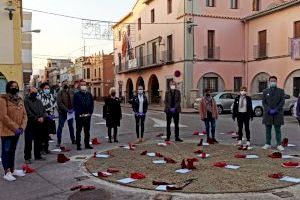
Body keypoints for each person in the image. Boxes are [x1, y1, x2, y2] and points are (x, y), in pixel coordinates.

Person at [0, 81, 28, 181]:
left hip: (17, 131)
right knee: (6, 151)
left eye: (16, 86)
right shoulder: (3, 99)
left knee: (12, 151)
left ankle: (12, 170)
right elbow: (3, 116)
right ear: (8, 87)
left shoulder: (20, 99)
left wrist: (22, 127)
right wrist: (15, 128)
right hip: (7, 131)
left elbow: (25, 115)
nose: (14, 88)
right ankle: (7, 172)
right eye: (12, 86)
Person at [24, 87, 48, 163]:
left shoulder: (39, 101)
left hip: (39, 123)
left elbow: (44, 111)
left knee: (38, 140)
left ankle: (37, 155)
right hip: (30, 123)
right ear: (29, 92)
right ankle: (27, 157)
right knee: (28, 141)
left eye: (35, 92)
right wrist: (37, 118)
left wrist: (43, 117)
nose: (34, 94)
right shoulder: (26, 101)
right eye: (33, 92)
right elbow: (28, 112)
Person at [262, 76, 285, 151]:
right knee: (268, 129)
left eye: (274, 81)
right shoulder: (265, 91)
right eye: (271, 81)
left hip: (277, 113)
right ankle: (267, 143)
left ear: (276, 81)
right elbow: (263, 102)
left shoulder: (281, 91)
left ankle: (279, 144)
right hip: (268, 113)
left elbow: (282, 102)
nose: (273, 82)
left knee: (277, 130)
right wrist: (268, 109)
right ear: (269, 82)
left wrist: (276, 109)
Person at [73, 80, 94, 150]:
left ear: (86, 86)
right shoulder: (76, 95)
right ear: (79, 86)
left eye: (84, 85)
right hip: (79, 116)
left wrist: (90, 113)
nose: (83, 86)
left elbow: (92, 104)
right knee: (78, 131)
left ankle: (87, 144)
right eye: (82, 85)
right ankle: (78, 145)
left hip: (87, 116)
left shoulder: (89, 94)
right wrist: (79, 113)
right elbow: (75, 105)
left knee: (87, 131)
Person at [37, 82, 57, 154]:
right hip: (42, 117)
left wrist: (52, 114)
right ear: (42, 89)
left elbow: (54, 105)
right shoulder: (39, 96)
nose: (47, 89)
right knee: (42, 134)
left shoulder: (51, 96)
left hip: (50, 117)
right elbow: (39, 107)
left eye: (48, 88)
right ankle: (41, 149)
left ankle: (46, 148)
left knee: (48, 133)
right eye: (45, 88)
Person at [56, 80, 75, 146]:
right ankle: (59, 141)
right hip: (63, 113)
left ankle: (73, 140)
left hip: (70, 113)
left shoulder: (72, 92)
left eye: (67, 83)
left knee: (71, 127)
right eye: (64, 84)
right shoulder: (60, 93)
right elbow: (59, 103)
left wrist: (73, 108)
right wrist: (67, 110)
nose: (66, 85)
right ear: (62, 85)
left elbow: (74, 101)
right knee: (60, 127)